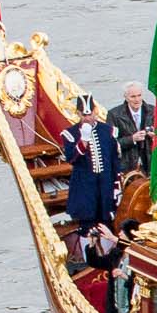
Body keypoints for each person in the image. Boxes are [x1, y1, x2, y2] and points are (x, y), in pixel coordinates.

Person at [63, 94, 119, 229]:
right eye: (83, 115)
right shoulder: (70, 133)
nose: (87, 118)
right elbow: (71, 158)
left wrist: (117, 184)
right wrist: (83, 141)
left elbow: (114, 159)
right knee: (87, 222)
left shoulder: (108, 130)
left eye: (90, 114)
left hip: (105, 184)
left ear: (95, 111)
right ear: (78, 114)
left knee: (107, 221)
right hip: (85, 186)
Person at [107, 81, 155, 174]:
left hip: (150, 162)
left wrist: (155, 136)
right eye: (133, 96)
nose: (137, 99)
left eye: (139, 95)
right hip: (127, 166)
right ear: (126, 97)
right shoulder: (114, 114)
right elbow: (110, 144)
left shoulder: (153, 111)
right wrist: (132, 139)